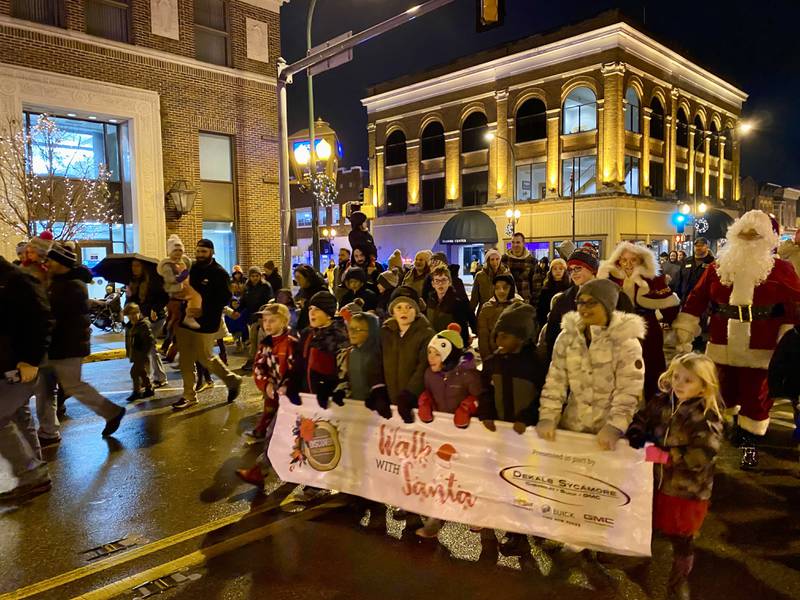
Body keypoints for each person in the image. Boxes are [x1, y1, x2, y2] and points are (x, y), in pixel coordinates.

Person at [672, 210, 800, 469]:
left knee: (757, 396)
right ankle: (727, 430)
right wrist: (685, 327)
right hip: (722, 344)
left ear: (768, 239)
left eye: (756, 235)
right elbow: (696, 299)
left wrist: (787, 336)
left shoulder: (782, 269)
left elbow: (795, 304)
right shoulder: (716, 268)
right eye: (744, 233)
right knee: (722, 393)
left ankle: (749, 442)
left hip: (762, 346)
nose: (749, 239)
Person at [626, 353, 723, 600]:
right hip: (655, 484)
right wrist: (636, 433)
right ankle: (640, 558)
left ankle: (678, 580)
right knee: (651, 522)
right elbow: (642, 418)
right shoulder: (661, 401)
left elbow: (703, 454)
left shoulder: (705, 415)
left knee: (681, 537)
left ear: (704, 385)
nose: (679, 383)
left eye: (688, 380)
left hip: (687, 491)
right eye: (677, 377)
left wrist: (667, 457)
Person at [537, 279, 645, 451]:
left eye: (591, 303)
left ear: (608, 305)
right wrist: (548, 416)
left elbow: (629, 390)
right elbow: (555, 381)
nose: (584, 308)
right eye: (580, 302)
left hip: (607, 435)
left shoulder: (625, 343)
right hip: (572, 428)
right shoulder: (567, 338)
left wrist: (615, 426)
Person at [35, 243, 126, 439]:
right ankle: (48, 430)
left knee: (72, 385)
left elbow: (58, 318)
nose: (47, 263)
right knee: (45, 389)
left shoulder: (72, 286)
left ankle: (112, 412)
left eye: (50, 260)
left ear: (61, 263)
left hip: (67, 348)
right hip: (56, 346)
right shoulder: (57, 282)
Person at [478, 302, 547, 555]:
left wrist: (527, 418)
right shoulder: (492, 362)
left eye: (504, 335)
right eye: (497, 334)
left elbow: (543, 396)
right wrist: (486, 412)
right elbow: (485, 391)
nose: (498, 339)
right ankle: (504, 531)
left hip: (524, 438)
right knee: (501, 481)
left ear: (521, 337)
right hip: (500, 435)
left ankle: (524, 530)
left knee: (524, 484)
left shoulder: (535, 365)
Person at [415, 324, 482, 539]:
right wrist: (425, 401)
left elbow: (481, 396)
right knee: (440, 474)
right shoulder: (430, 374)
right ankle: (436, 517)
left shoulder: (467, 374)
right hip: (443, 434)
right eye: (429, 353)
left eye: (437, 354)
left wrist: (468, 406)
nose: (431, 358)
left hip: (466, 435)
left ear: (448, 354)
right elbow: (429, 391)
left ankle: (476, 514)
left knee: (467, 475)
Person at [0, 252, 53, 501]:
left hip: (20, 366)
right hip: (9, 366)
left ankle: (33, 474)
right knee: (19, 415)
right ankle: (34, 471)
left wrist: (30, 359)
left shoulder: (17, 281)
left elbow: (42, 319)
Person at [598, 241, 680, 399]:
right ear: (618, 260)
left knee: (651, 365)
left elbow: (672, 303)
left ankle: (654, 403)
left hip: (647, 326)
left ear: (641, 260)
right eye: (623, 259)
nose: (627, 264)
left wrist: (659, 316)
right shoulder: (610, 277)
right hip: (619, 327)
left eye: (632, 260)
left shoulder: (653, 278)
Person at [171, 239, 242, 411]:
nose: (200, 255)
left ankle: (231, 379)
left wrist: (204, 310)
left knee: (205, 357)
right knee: (186, 360)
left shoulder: (220, 273)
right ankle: (189, 395)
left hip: (206, 323)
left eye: (204, 251)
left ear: (211, 252)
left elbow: (225, 298)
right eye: (198, 251)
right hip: (185, 319)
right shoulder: (191, 268)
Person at [236, 302, 300, 487]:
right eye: (265, 320)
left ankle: (262, 470)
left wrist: (287, 386)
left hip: (292, 399)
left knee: (277, 434)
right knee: (283, 433)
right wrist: (266, 384)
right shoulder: (266, 343)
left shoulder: (292, 342)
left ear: (284, 320)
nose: (267, 324)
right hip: (275, 396)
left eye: (272, 320)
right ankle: (292, 472)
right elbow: (258, 366)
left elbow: (298, 369)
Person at [544, 244, 634, 361]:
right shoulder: (564, 298)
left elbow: (628, 330)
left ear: (592, 270)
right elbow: (552, 334)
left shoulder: (614, 294)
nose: (573, 273)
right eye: (570, 269)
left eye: (578, 268)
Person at [374, 286, 435, 422]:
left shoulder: (426, 334)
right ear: (392, 311)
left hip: (413, 401)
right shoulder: (385, 332)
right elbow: (377, 362)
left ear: (417, 310)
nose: (404, 311)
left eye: (409, 307)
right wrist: (379, 389)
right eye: (399, 307)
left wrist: (410, 393)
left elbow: (423, 366)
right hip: (390, 399)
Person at [297, 291, 349, 407]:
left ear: (328, 314)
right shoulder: (307, 333)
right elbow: (299, 361)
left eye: (317, 309)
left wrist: (331, 389)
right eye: (310, 308)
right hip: (307, 397)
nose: (312, 313)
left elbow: (344, 371)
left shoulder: (339, 336)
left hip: (328, 402)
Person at [126, 258, 168, 388]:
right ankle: (147, 378)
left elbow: (164, 297)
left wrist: (155, 309)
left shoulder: (153, 281)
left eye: (137, 265)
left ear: (143, 267)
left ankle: (159, 378)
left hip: (156, 317)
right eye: (133, 266)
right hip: (141, 318)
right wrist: (129, 295)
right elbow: (133, 303)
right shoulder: (132, 282)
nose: (135, 268)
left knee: (150, 346)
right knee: (143, 348)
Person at [333, 311, 386, 405]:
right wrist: (341, 391)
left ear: (371, 332)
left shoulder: (381, 354)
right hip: (356, 408)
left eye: (358, 329)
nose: (352, 333)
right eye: (350, 328)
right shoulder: (349, 353)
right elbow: (345, 378)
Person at [158, 234, 203, 330]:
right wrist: (180, 277)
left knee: (197, 296)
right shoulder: (168, 265)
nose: (178, 253)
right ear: (170, 251)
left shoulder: (183, 262)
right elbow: (170, 279)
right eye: (175, 250)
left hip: (185, 287)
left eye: (180, 250)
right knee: (195, 296)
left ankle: (189, 316)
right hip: (175, 290)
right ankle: (188, 317)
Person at [477, 273, 523, 360]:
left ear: (511, 289)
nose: (501, 291)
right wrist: (487, 359)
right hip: (493, 357)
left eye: (505, 287)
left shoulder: (519, 308)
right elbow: (483, 336)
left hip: (515, 359)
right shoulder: (487, 308)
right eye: (497, 288)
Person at [425, 265, 472, 347]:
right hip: (433, 343)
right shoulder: (429, 301)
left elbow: (462, 327)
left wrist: (463, 344)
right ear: (433, 284)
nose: (440, 284)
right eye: (437, 281)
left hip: (449, 345)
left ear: (449, 282)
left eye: (443, 280)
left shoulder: (457, 303)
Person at [768, 323, 800, 441]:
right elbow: (778, 363)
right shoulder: (792, 336)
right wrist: (775, 387)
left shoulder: (792, 335)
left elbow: (777, 363)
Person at [239, 266, 274, 372]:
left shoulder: (265, 286)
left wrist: (262, 316)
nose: (255, 278)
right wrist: (238, 309)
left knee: (258, 340)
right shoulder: (247, 287)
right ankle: (256, 360)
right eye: (252, 276)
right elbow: (244, 301)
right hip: (251, 316)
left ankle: (257, 360)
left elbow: (269, 302)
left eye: (257, 276)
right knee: (253, 339)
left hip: (261, 317)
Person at [122, 303, 155, 403]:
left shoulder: (143, 325)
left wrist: (145, 353)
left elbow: (150, 340)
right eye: (130, 314)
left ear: (139, 312)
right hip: (135, 353)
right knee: (141, 372)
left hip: (142, 354)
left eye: (135, 313)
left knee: (134, 372)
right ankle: (149, 388)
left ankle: (136, 392)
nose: (133, 316)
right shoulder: (129, 326)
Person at [674, 238, 715, 302]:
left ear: (707, 246)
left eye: (701, 245)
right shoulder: (687, 261)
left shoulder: (712, 262)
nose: (698, 248)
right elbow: (679, 280)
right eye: (696, 246)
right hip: (686, 299)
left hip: (705, 302)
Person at [470, 248, 507, 314]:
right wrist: (470, 317)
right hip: (484, 313)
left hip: (501, 313)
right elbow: (474, 299)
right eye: (492, 259)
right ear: (488, 261)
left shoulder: (506, 274)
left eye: (497, 259)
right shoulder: (480, 276)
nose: (495, 262)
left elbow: (513, 294)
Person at [536, 258, 570, 328]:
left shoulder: (569, 287)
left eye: (561, 269)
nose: (558, 271)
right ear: (551, 271)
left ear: (565, 271)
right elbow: (541, 309)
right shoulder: (546, 289)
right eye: (555, 269)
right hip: (549, 322)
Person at [503, 232, 536, 303]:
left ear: (523, 243)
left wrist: (534, 302)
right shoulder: (504, 259)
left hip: (525, 301)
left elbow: (535, 285)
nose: (515, 245)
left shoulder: (531, 260)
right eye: (513, 242)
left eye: (518, 242)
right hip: (507, 300)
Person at [294, 264, 328, 332]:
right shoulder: (303, 289)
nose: (297, 281)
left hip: (315, 328)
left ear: (307, 277)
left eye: (299, 278)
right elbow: (297, 300)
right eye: (295, 278)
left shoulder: (321, 291)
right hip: (304, 326)